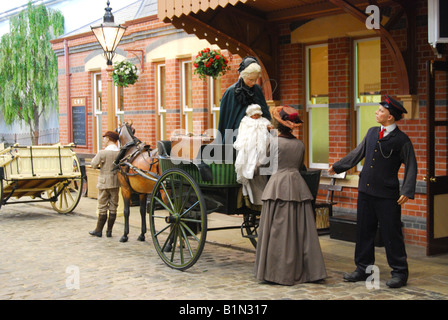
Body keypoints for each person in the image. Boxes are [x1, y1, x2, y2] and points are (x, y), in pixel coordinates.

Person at [328, 94, 417, 288]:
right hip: (365, 192)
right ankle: (363, 269)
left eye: (381, 111)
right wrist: (338, 166)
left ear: (390, 117)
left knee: (391, 234)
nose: (377, 112)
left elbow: (411, 165)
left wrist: (408, 190)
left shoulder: (401, 140)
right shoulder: (371, 133)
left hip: (387, 196)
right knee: (364, 232)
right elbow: (358, 152)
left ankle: (400, 273)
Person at [254, 106, 327, 286]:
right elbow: (300, 166)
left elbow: (261, 163)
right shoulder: (300, 144)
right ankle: (309, 270)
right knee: (301, 230)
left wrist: (251, 171)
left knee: (279, 230)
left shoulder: (274, 142)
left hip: (278, 185)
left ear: (277, 126)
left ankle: (279, 273)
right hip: (297, 186)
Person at [217, 56, 271, 143]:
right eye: (250, 79)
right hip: (236, 139)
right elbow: (224, 121)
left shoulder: (257, 89)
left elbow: (265, 113)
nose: (253, 82)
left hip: (256, 137)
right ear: (243, 75)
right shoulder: (231, 92)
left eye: (255, 79)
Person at [233, 104, 273, 207]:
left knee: (260, 175)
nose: (256, 117)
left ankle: (261, 200)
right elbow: (242, 136)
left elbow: (269, 129)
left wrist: (267, 128)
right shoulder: (245, 122)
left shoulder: (263, 121)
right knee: (249, 172)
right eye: (254, 115)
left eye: (257, 115)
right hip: (248, 152)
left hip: (261, 152)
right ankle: (249, 198)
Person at [89, 131, 121, 238]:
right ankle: (109, 231)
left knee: (102, 206)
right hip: (116, 183)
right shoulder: (119, 153)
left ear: (108, 139)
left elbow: (93, 164)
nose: (104, 140)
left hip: (104, 183)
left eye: (105, 138)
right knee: (113, 207)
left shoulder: (102, 153)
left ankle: (98, 230)